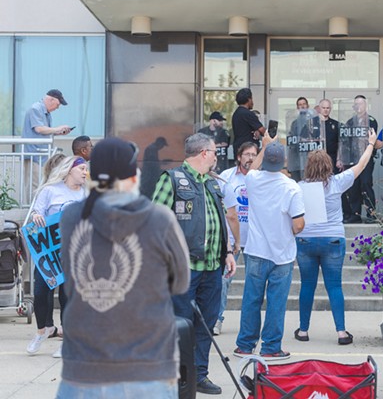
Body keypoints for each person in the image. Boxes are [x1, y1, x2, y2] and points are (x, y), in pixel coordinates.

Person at [56, 138, 190, 398]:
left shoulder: (71, 217)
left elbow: (72, 280)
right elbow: (181, 282)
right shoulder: (160, 218)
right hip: (149, 367)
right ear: (132, 177)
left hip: (83, 368)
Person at [152, 133, 236, 395]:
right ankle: (177, 378)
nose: (215, 157)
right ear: (203, 153)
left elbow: (219, 222)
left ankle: (199, 375)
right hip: (183, 270)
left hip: (212, 270)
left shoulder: (212, 184)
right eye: (213, 152)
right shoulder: (173, 180)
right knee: (180, 326)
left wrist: (228, 252)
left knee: (206, 325)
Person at [294, 128, 377, 345]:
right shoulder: (337, 183)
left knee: (307, 285)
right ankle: (341, 332)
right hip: (332, 239)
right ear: (328, 166)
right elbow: (361, 165)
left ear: (308, 167)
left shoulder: (299, 187)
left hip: (306, 240)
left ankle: (303, 331)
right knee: (334, 286)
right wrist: (370, 144)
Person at [234, 136, 305, 361]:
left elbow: (252, 168)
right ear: (284, 160)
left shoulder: (253, 179)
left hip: (255, 250)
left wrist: (263, 147)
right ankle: (271, 346)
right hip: (282, 253)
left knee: (251, 299)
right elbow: (299, 224)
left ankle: (245, 345)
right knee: (276, 302)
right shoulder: (291, 187)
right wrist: (291, 232)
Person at [26, 156, 88, 358]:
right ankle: (42, 331)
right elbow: (37, 211)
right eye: (82, 169)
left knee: (67, 296)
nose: (85, 173)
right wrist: (36, 216)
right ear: (70, 170)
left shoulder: (86, 195)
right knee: (40, 293)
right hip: (49, 254)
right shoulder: (49, 190)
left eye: (86, 170)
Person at [214, 141, 258, 335]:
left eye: (254, 154)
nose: (250, 158)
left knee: (254, 284)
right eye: (247, 154)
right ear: (239, 156)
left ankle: (250, 326)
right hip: (232, 239)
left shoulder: (262, 177)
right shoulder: (226, 177)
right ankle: (216, 319)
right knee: (223, 281)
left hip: (256, 239)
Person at [21, 89, 74, 199]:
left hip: (42, 155)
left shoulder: (46, 112)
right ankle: (33, 213)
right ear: (51, 99)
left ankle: (38, 211)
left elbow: (45, 132)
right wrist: (56, 129)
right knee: (34, 184)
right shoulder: (35, 109)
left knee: (42, 184)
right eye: (58, 104)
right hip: (34, 154)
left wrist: (59, 132)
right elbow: (39, 129)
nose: (57, 108)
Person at [341, 95, 379, 223]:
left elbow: (371, 138)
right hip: (353, 159)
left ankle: (371, 214)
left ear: (366, 105)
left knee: (366, 184)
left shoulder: (371, 121)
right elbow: (345, 142)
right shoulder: (350, 122)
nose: (358, 106)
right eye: (356, 104)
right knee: (353, 186)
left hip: (366, 158)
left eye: (361, 104)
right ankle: (355, 214)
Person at [232, 88, 265, 156]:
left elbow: (245, 130)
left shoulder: (236, 114)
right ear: (249, 99)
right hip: (248, 151)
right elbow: (262, 131)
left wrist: (256, 131)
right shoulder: (248, 114)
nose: (252, 102)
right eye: (252, 99)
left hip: (238, 149)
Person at [316, 99, 340, 172]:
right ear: (319, 109)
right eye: (323, 108)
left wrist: (339, 159)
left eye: (328, 108)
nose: (326, 110)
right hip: (316, 159)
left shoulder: (336, 124)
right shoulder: (311, 124)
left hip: (332, 158)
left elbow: (340, 143)